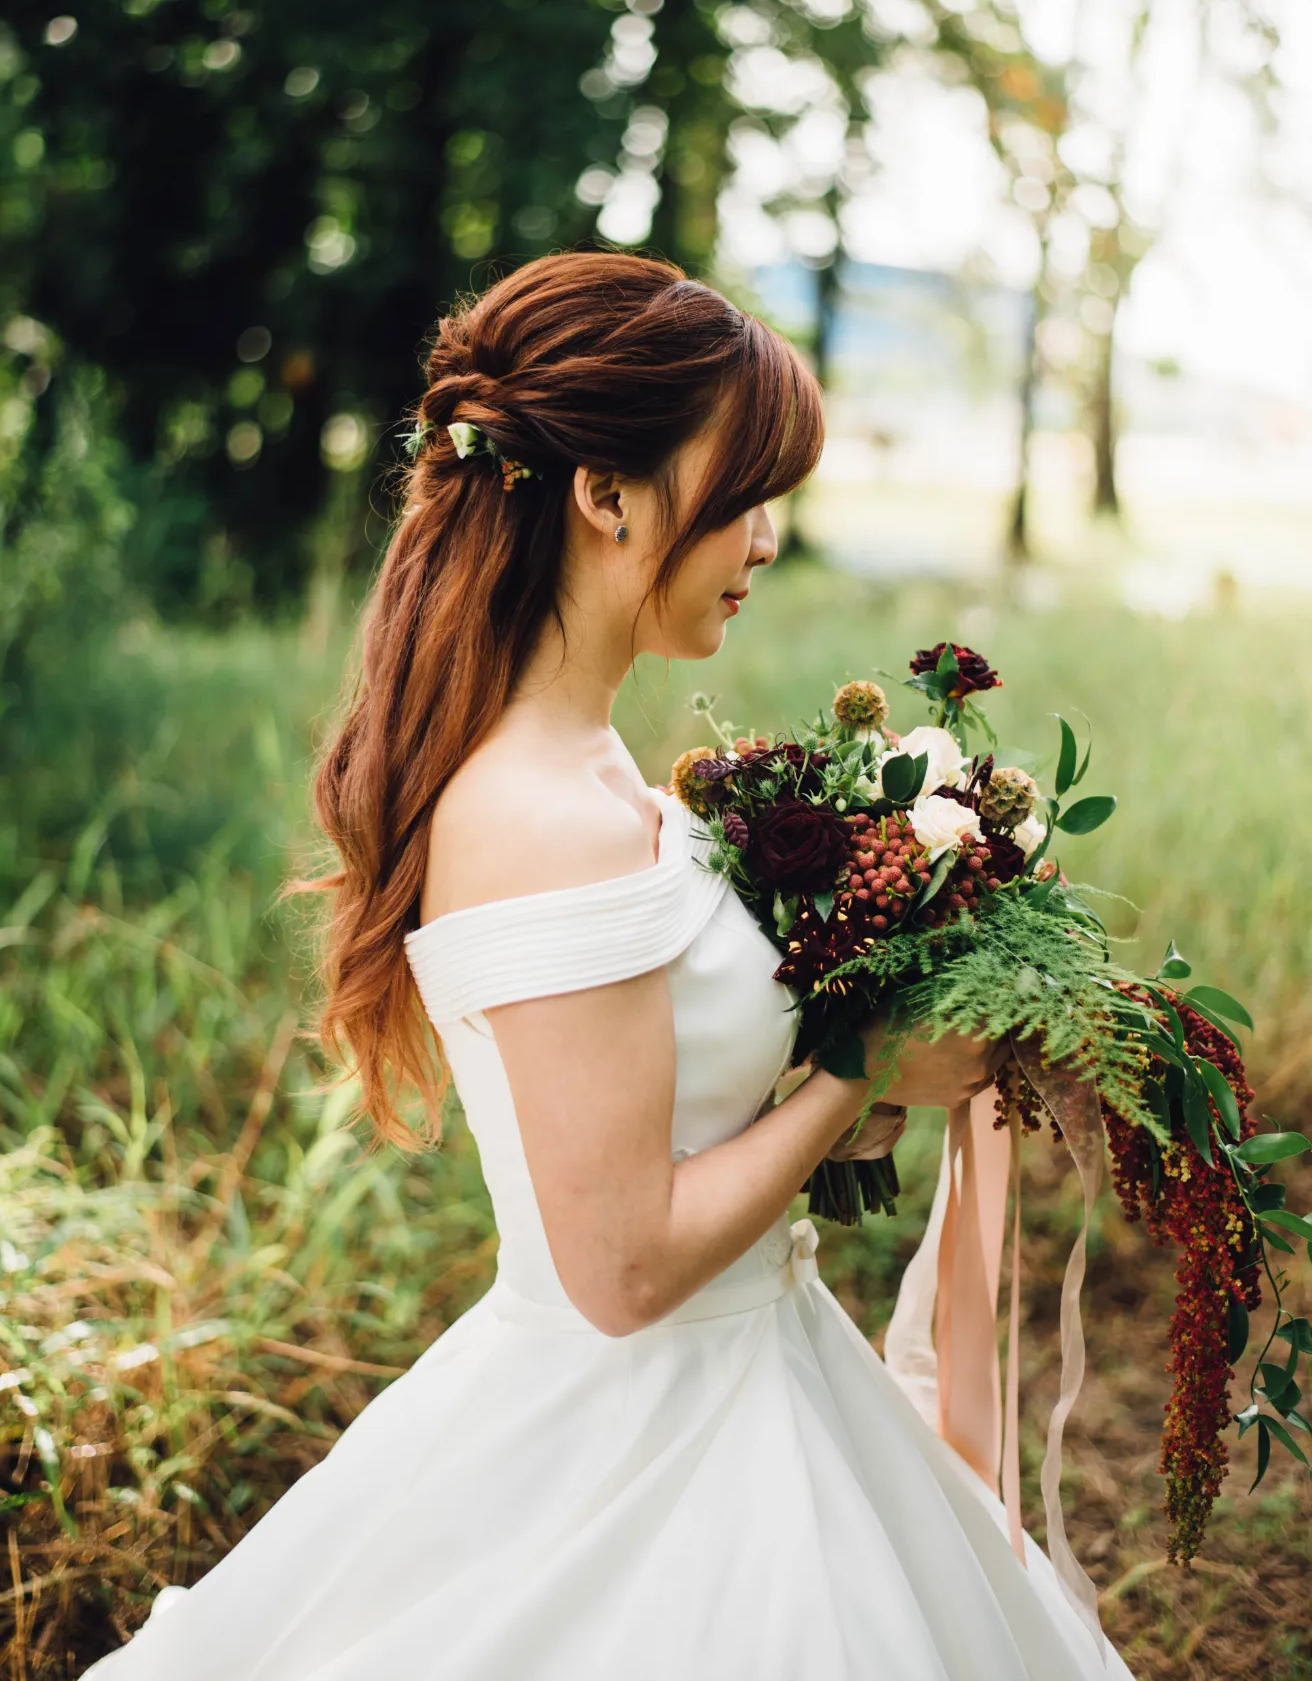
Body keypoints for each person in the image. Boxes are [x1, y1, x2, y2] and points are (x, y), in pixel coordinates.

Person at [83, 251, 1132, 1680]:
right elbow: (625, 1269)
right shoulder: (536, 815)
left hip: (762, 1361)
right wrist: (862, 1062)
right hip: (649, 1434)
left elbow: (676, 1108)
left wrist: (868, 1056)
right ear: (608, 493)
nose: (765, 542)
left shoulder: (598, 764)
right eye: (746, 494)